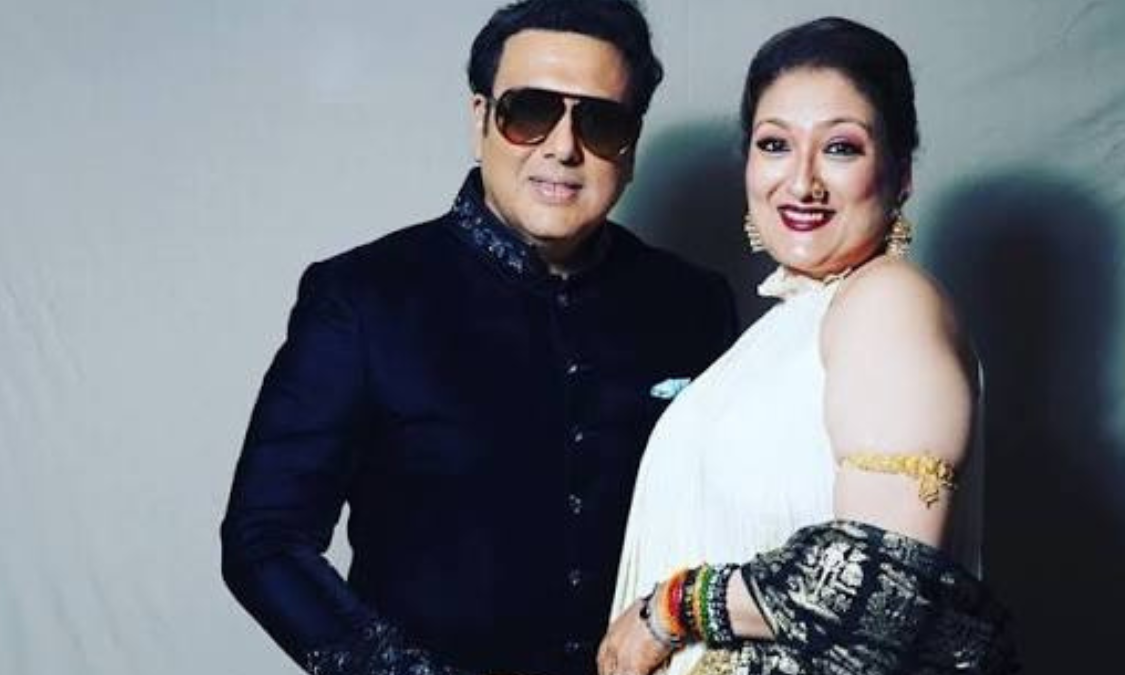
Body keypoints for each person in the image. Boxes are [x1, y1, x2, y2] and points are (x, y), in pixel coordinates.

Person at [219, 2, 739, 674]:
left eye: (600, 121)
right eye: (530, 111)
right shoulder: (362, 296)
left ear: (630, 147)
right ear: (480, 121)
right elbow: (265, 537)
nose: (563, 147)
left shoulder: (694, 303)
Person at [599, 16, 1017, 675]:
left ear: (901, 173)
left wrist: (673, 606)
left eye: (841, 148)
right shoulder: (789, 325)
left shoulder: (888, 302)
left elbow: (882, 585)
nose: (801, 182)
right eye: (774, 144)